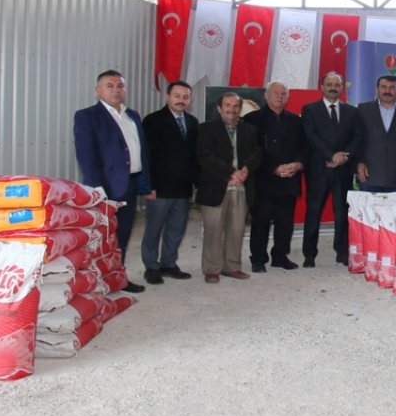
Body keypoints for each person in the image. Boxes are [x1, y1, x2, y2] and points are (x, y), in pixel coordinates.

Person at [72, 69, 150, 293]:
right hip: (107, 186)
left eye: (120, 86)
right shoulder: (87, 116)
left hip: (131, 183)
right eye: (110, 85)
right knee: (105, 236)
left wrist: (145, 182)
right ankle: (99, 281)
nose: (116, 90)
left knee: (123, 234)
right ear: (98, 90)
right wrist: (99, 191)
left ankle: (119, 277)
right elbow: (87, 157)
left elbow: (141, 151)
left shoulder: (132, 115)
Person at [196, 92, 262, 284]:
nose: (231, 110)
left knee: (236, 229)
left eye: (235, 106)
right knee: (213, 230)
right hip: (216, 187)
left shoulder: (249, 130)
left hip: (241, 188)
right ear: (219, 108)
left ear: (240, 109)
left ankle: (232, 267)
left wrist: (245, 171)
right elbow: (205, 156)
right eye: (227, 105)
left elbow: (257, 153)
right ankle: (211, 269)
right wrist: (231, 173)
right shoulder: (206, 129)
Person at [138, 80, 198, 285]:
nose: (181, 100)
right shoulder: (152, 121)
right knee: (154, 229)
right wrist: (148, 185)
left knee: (176, 229)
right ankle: (151, 267)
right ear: (167, 97)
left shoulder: (192, 122)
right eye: (177, 96)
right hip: (159, 188)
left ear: (190, 99)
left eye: (185, 97)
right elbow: (146, 156)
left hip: (183, 188)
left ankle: (168, 263)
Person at [242, 82, 305, 273]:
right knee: (261, 221)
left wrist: (298, 164)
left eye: (284, 94)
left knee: (285, 222)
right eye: (276, 93)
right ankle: (258, 258)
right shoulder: (251, 119)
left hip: (290, 178)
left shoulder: (296, 121)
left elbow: (304, 146)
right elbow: (252, 149)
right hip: (264, 178)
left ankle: (280, 256)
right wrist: (274, 168)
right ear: (266, 95)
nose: (280, 96)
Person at [301, 72, 361, 267]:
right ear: (322, 87)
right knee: (314, 211)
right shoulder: (310, 109)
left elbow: (357, 137)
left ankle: (342, 252)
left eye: (337, 84)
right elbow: (311, 136)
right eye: (329, 84)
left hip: (343, 170)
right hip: (319, 169)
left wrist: (344, 156)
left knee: (342, 212)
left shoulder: (352, 111)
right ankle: (309, 254)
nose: (333, 87)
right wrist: (331, 156)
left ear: (342, 88)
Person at [356, 75, 396, 193]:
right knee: (368, 211)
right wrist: (359, 162)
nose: (387, 91)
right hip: (370, 175)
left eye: (392, 87)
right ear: (377, 89)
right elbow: (358, 139)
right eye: (383, 87)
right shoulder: (363, 109)